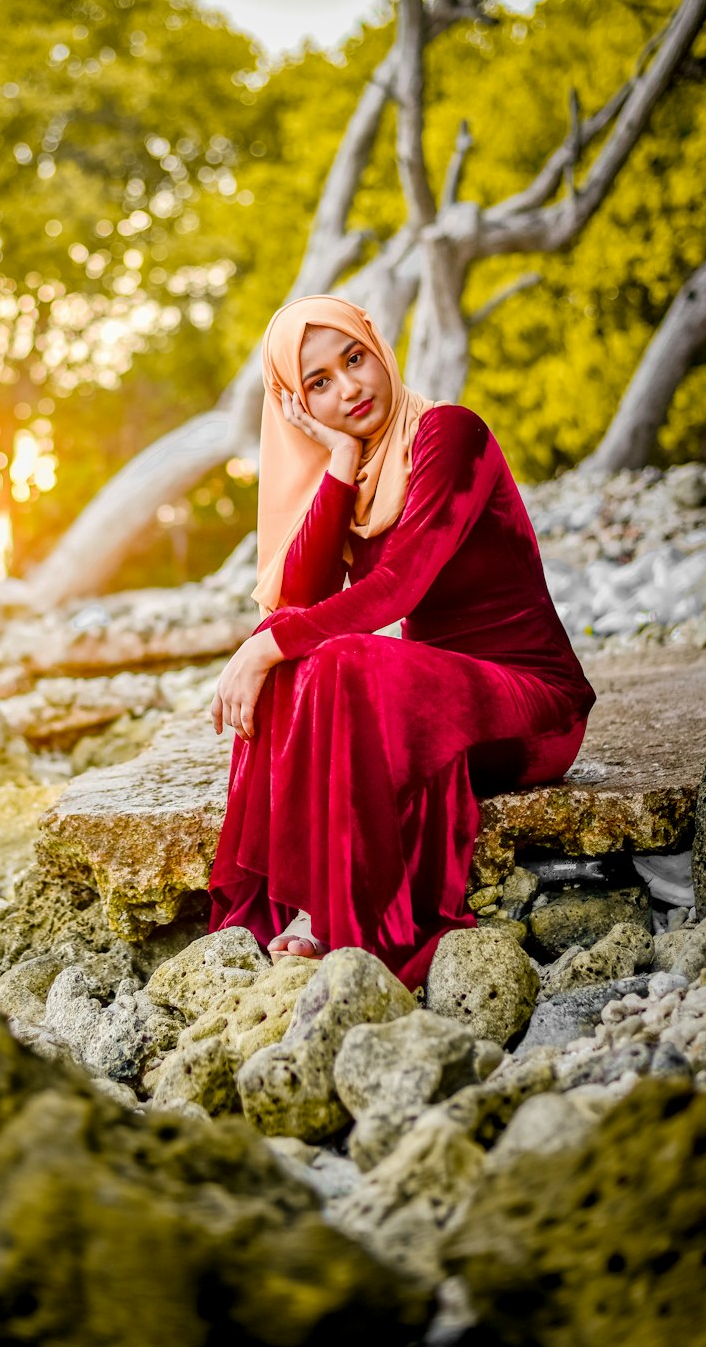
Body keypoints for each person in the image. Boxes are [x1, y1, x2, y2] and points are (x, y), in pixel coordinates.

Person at [207, 294, 596, 988]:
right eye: (318, 383)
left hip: (532, 705)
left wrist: (265, 649)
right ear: (296, 403)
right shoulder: (359, 474)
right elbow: (303, 597)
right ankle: (299, 895)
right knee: (294, 641)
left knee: (330, 654)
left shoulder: (449, 434)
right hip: (442, 694)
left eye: (354, 359)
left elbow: (398, 590)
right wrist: (340, 457)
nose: (350, 388)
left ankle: (333, 908)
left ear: (378, 348)